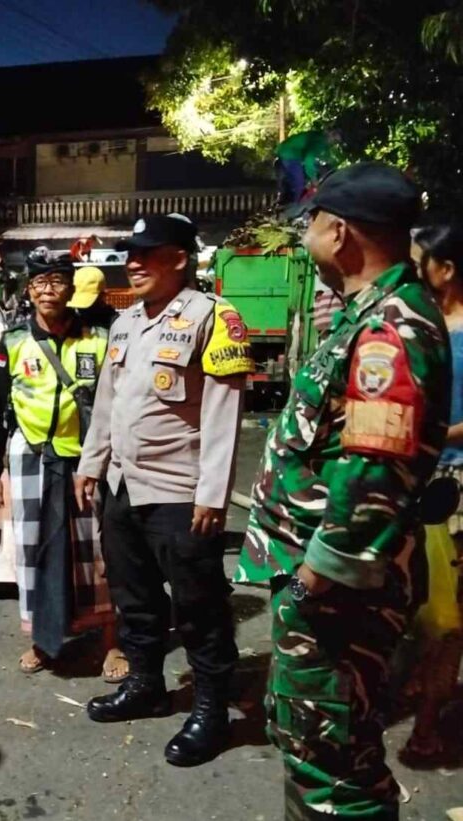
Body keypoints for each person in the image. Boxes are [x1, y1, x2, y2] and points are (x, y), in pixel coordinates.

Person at [234, 163, 449, 820]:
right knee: (317, 750)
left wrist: (314, 579)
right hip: (327, 588)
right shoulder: (367, 314)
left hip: (339, 597)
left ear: (339, 230)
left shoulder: (389, 329)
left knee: (335, 769)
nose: (305, 237)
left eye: (309, 224)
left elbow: (375, 475)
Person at [74, 214, 253, 767]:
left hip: (181, 490)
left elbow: (225, 412)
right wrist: (91, 463)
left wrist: (213, 494)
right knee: (136, 598)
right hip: (125, 485)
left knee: (199, 605)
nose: (132, 262)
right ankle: (146, 684)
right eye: (131, 253)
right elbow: (107, 402)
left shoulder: (214, 318)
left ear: (178, 258)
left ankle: (212, 709)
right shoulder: (126, 323)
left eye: (145, 253)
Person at [0, 252, 115, 677]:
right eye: (39, 283)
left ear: (71, 289)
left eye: (57, 282)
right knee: (32, 548)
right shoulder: (13, 341)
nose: (47, 291)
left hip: (86, 459)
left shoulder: (99, 337)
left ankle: (113, 640)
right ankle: (43, 641)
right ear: (29, 291)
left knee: (96, 549)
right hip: (31, 456)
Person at [402, 218, 463, 761]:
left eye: (422, 260)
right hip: (411, 480)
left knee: (444, 616)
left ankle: (427, 726)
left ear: (445, 269)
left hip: (454, 487)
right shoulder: (422, 322)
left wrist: (430, 435)